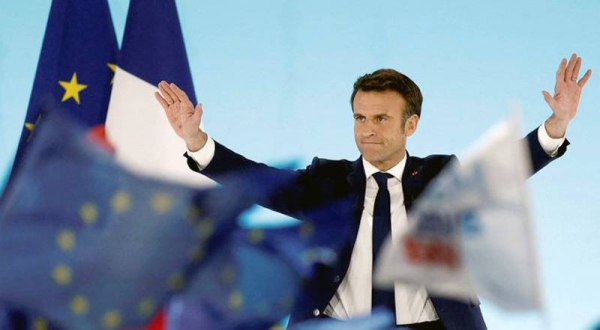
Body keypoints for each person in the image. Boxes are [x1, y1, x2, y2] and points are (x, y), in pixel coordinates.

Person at [155, 54, 592, 329]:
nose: (368, 130)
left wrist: (555, 128)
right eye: (360, 118)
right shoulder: (325, 182)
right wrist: (197, 141)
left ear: (411, 125)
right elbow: (259, 181)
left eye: (381, 119)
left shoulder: (441, 176)